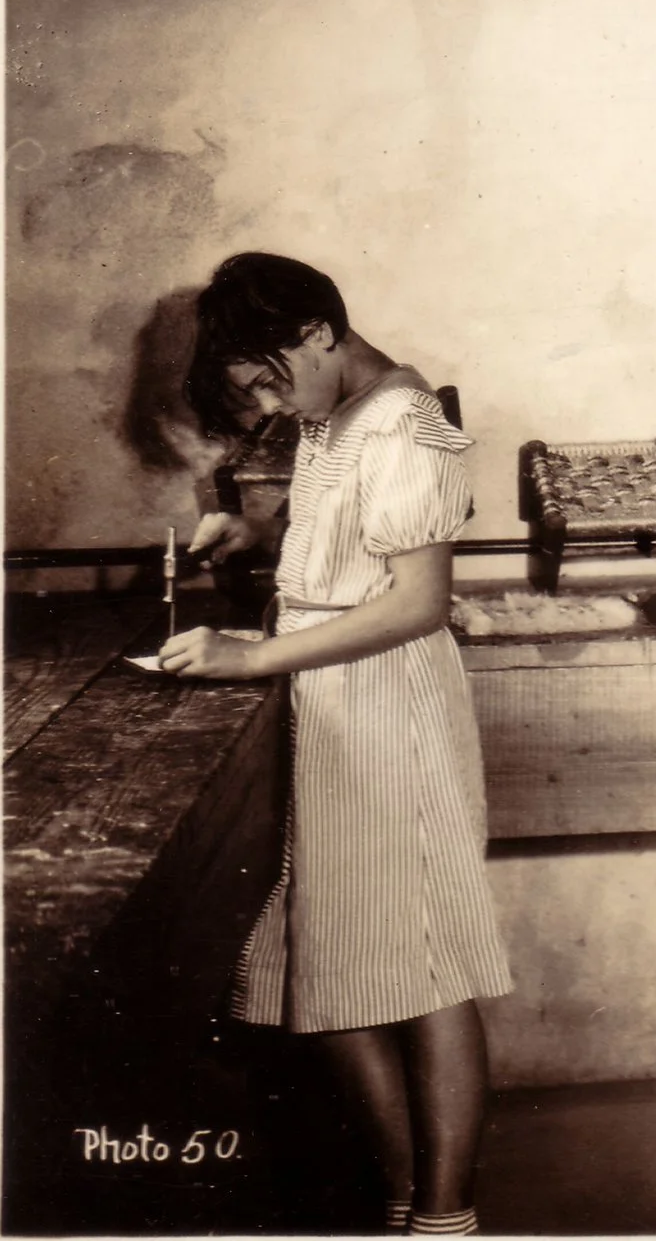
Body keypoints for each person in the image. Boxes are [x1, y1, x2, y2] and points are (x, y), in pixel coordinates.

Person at [164, 252, 506, 1237]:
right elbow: (353, 546)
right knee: (333, 960)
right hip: (330, 706)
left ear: (317, 331)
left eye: (271, 381)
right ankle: (405, 1199)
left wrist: (251, 655)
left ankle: (445, 1217)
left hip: (390, 711)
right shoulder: (336, 415)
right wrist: (255, 539)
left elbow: (417, 601)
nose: (271, 406)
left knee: (428, 970)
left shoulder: (405, 423)